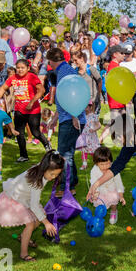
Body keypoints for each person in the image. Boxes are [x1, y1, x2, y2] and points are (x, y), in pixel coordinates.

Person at [0, 150, 64, 262]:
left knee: (41, 215)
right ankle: (23, 254)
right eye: (52, 174)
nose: (54, 177)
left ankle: (23, 236)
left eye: (57, 174)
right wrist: (47, 223)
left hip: (25, 198)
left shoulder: (42, 168)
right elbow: (34, 205)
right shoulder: (36, 180)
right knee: (30, 224)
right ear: (45, 168)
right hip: (14, 198)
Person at [47, 48, 86, 196]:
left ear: (51, 61)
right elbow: (63, 98)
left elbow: (73, 96)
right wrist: (55, 118)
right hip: (68, 117)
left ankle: (66, 187)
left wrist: (75, 116)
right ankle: (72, 182)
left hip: (71, 119)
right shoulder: (65, 70)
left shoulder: (65, 72)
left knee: (64, 155)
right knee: (68, 152)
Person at [0, 59, 51, 162]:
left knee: (35, 132)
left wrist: (32, 102)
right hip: (19, 110)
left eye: (22, 68)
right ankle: (23, 156)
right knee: (19, 133)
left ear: (28, 68)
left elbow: (42, 91)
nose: (20, 70)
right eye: (18, 68)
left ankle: (47, 145)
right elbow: (3, 88)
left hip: (33, 110)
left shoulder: (32, 77)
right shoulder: (13, 78)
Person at [89, 147, 126, 225]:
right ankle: (99, 216)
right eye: (102, 164)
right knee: (99, 203)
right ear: (96, 163)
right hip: (100, 191)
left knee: (114, 201)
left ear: (111, 161)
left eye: (107, 163)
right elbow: (94, 182)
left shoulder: (114, 168)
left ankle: (114, 212)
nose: (105, 166)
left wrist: (121, 195)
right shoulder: (94, 170)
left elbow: (119, 182)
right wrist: (96, 193)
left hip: (112, 190)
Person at [120, 44, 136, 117]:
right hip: (127, 91)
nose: (127, 55)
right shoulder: (121, 64)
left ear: (132, 53)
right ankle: (127, 126)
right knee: (127, 111)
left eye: (129, 53)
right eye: (125, 53)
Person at [76, 101, 101, 170]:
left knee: (93, 152)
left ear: (90, 107)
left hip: (92, 138)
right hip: (84, 137)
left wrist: (94, 129)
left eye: (86, 106)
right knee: (84, 151)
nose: (85, 108)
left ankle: (97, 164)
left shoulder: (93, 116)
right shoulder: (82, 117)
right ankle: (84, 164)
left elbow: (99, 125)